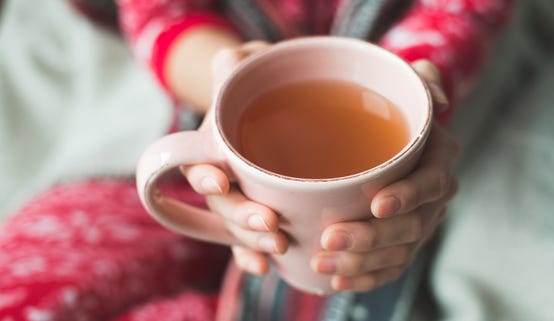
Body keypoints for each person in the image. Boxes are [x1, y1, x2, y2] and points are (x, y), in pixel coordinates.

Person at [0, 0, 513, 320]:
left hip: (371, 191)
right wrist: (231, 89)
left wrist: (417, 109)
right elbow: (162, 14)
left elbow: (460, 15)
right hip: (195, 126)